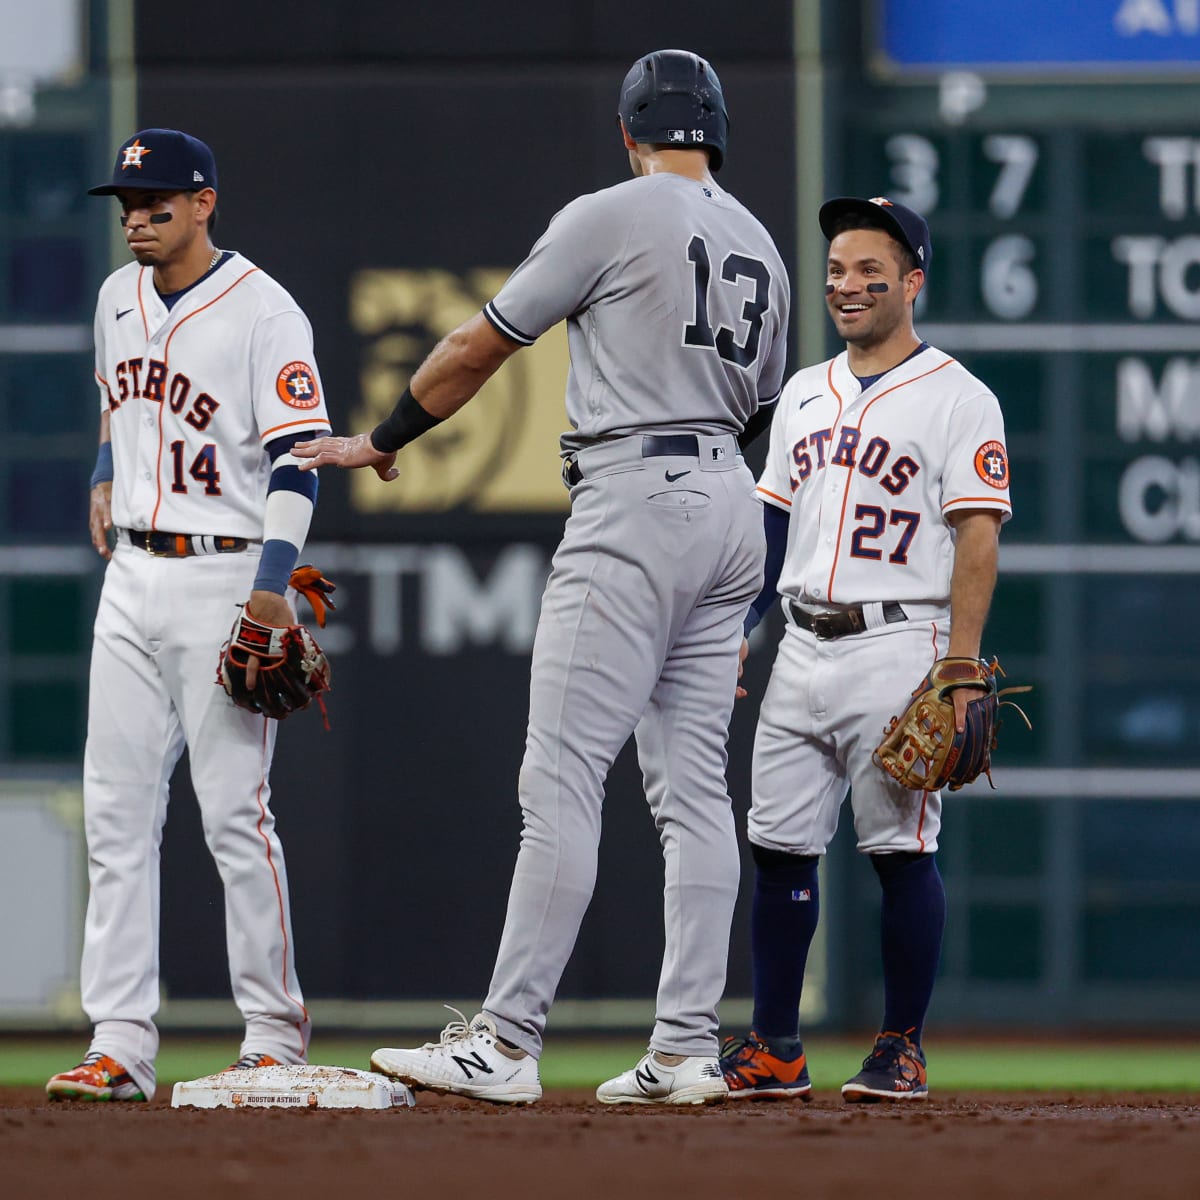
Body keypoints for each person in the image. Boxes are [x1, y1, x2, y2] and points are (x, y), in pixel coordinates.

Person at [294, 49, 790, 1105]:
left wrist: (386, 437)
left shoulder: (610, 214)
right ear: (716, 133)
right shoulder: (763, 245)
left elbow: (481, 345)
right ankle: (685, 1050)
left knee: (560, 777)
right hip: (732, 507)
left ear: (631, 132)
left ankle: (507, 1042)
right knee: (695, 791)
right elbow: (758, 416)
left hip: (636, 493)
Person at [46, 129, 331, 1103]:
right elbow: (113, 409)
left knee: (231, 819)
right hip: (130, 574)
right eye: (127, 201)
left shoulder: (264, 311)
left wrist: (272, 586)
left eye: (158, 200)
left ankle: (273, 1034)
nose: (137, 215)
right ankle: (120, 1041)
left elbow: (299, 460)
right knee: (117, 819)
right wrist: (100, 473)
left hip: (225, 576)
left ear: (205, 202)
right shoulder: (110, 299)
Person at [718, 196, 1011, 1103]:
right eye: (839, 269)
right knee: (777, 849)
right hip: (800, 643)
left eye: (869, 270)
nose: (848, 285)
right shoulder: (805, 390)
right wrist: (740, 629)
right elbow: (771, 525)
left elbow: (978, 539)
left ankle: (902, 1046)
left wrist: (960, 664)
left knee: (899, 850)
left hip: (900, 642)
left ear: (912, 281)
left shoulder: (961, 396)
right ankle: (774, 1046)